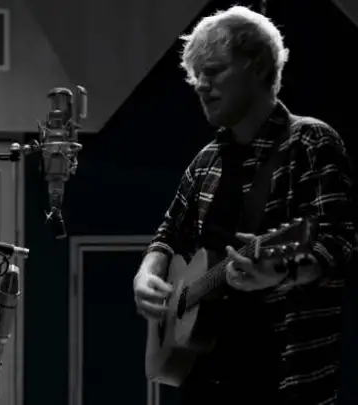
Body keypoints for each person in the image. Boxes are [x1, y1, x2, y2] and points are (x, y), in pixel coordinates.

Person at [133, 6, 355, 405]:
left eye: (213, 71)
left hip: (285, 380)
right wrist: (147, 272)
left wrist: (283, 272)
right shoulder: (205, 161)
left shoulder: (310, 142)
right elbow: (166, 236)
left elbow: (338, 242)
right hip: (204, 381)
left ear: (258, 67)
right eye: (196, 75)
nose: (201, 86)